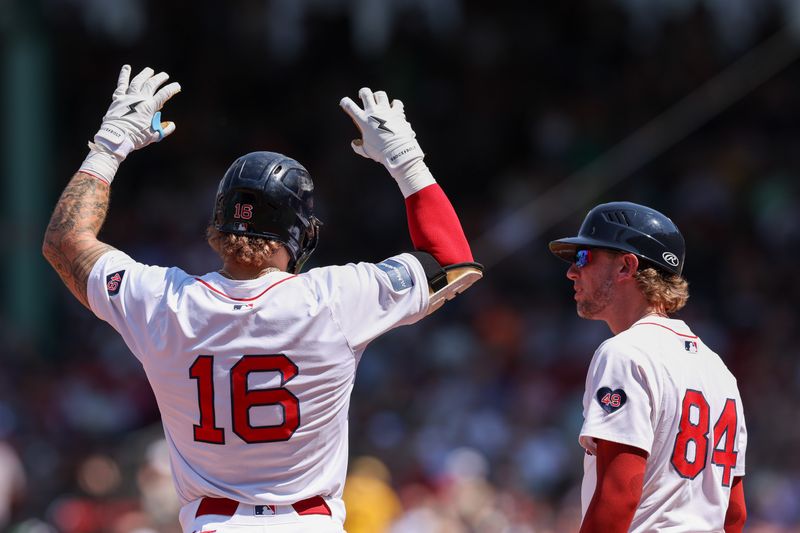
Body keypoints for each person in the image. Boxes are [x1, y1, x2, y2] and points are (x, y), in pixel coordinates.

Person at [42, 65, 482, 533]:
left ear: (217, 226)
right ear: (297, 231)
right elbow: (451, 259)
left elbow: (64, 241)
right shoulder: (333, 297)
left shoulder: (162, 300)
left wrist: (110, 145)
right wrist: (405, 159)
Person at [548, 202, 747, 533]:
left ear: (627, 266)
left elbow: (619, 495)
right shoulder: (719, 370)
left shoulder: (626, 353)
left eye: (584, 257)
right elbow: (734, 512)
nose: (572, 271)